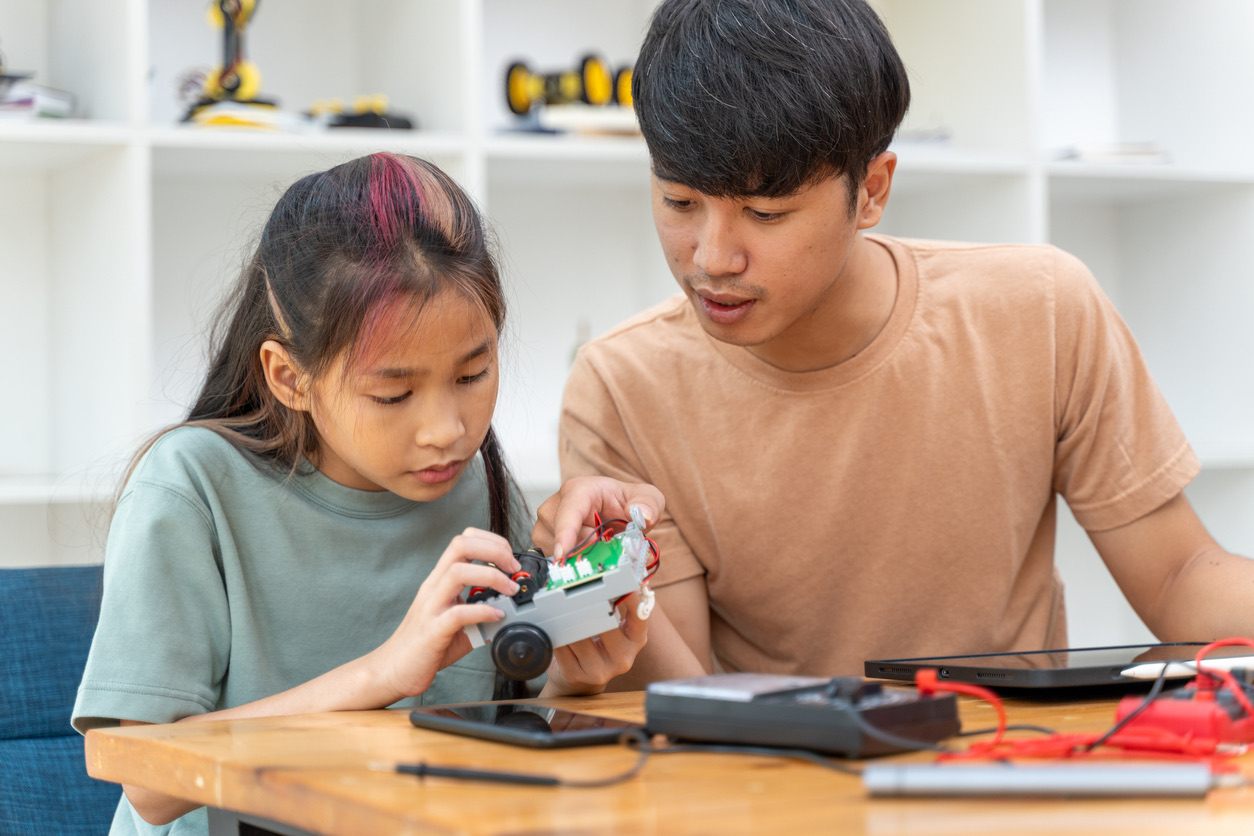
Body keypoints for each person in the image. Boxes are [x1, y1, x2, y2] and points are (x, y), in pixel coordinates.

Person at [546, 0, 1254, 686]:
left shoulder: (1042, 310)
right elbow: (679, 699)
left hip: (1016, 776)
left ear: (873, 191)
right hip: (773, 788)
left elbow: (1178, 575)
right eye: (679, 203)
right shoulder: (622, 386)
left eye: (765, 213)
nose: (712, 257)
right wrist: (607, 594)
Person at [71, 152, 661, 834]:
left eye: (473, 375)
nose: (447, 431)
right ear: (289, 378)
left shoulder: (476, 489)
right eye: (394, 393)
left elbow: (504, 736)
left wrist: (575, 674)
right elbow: (148, 780)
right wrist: (383, 675)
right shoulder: (192, 489)